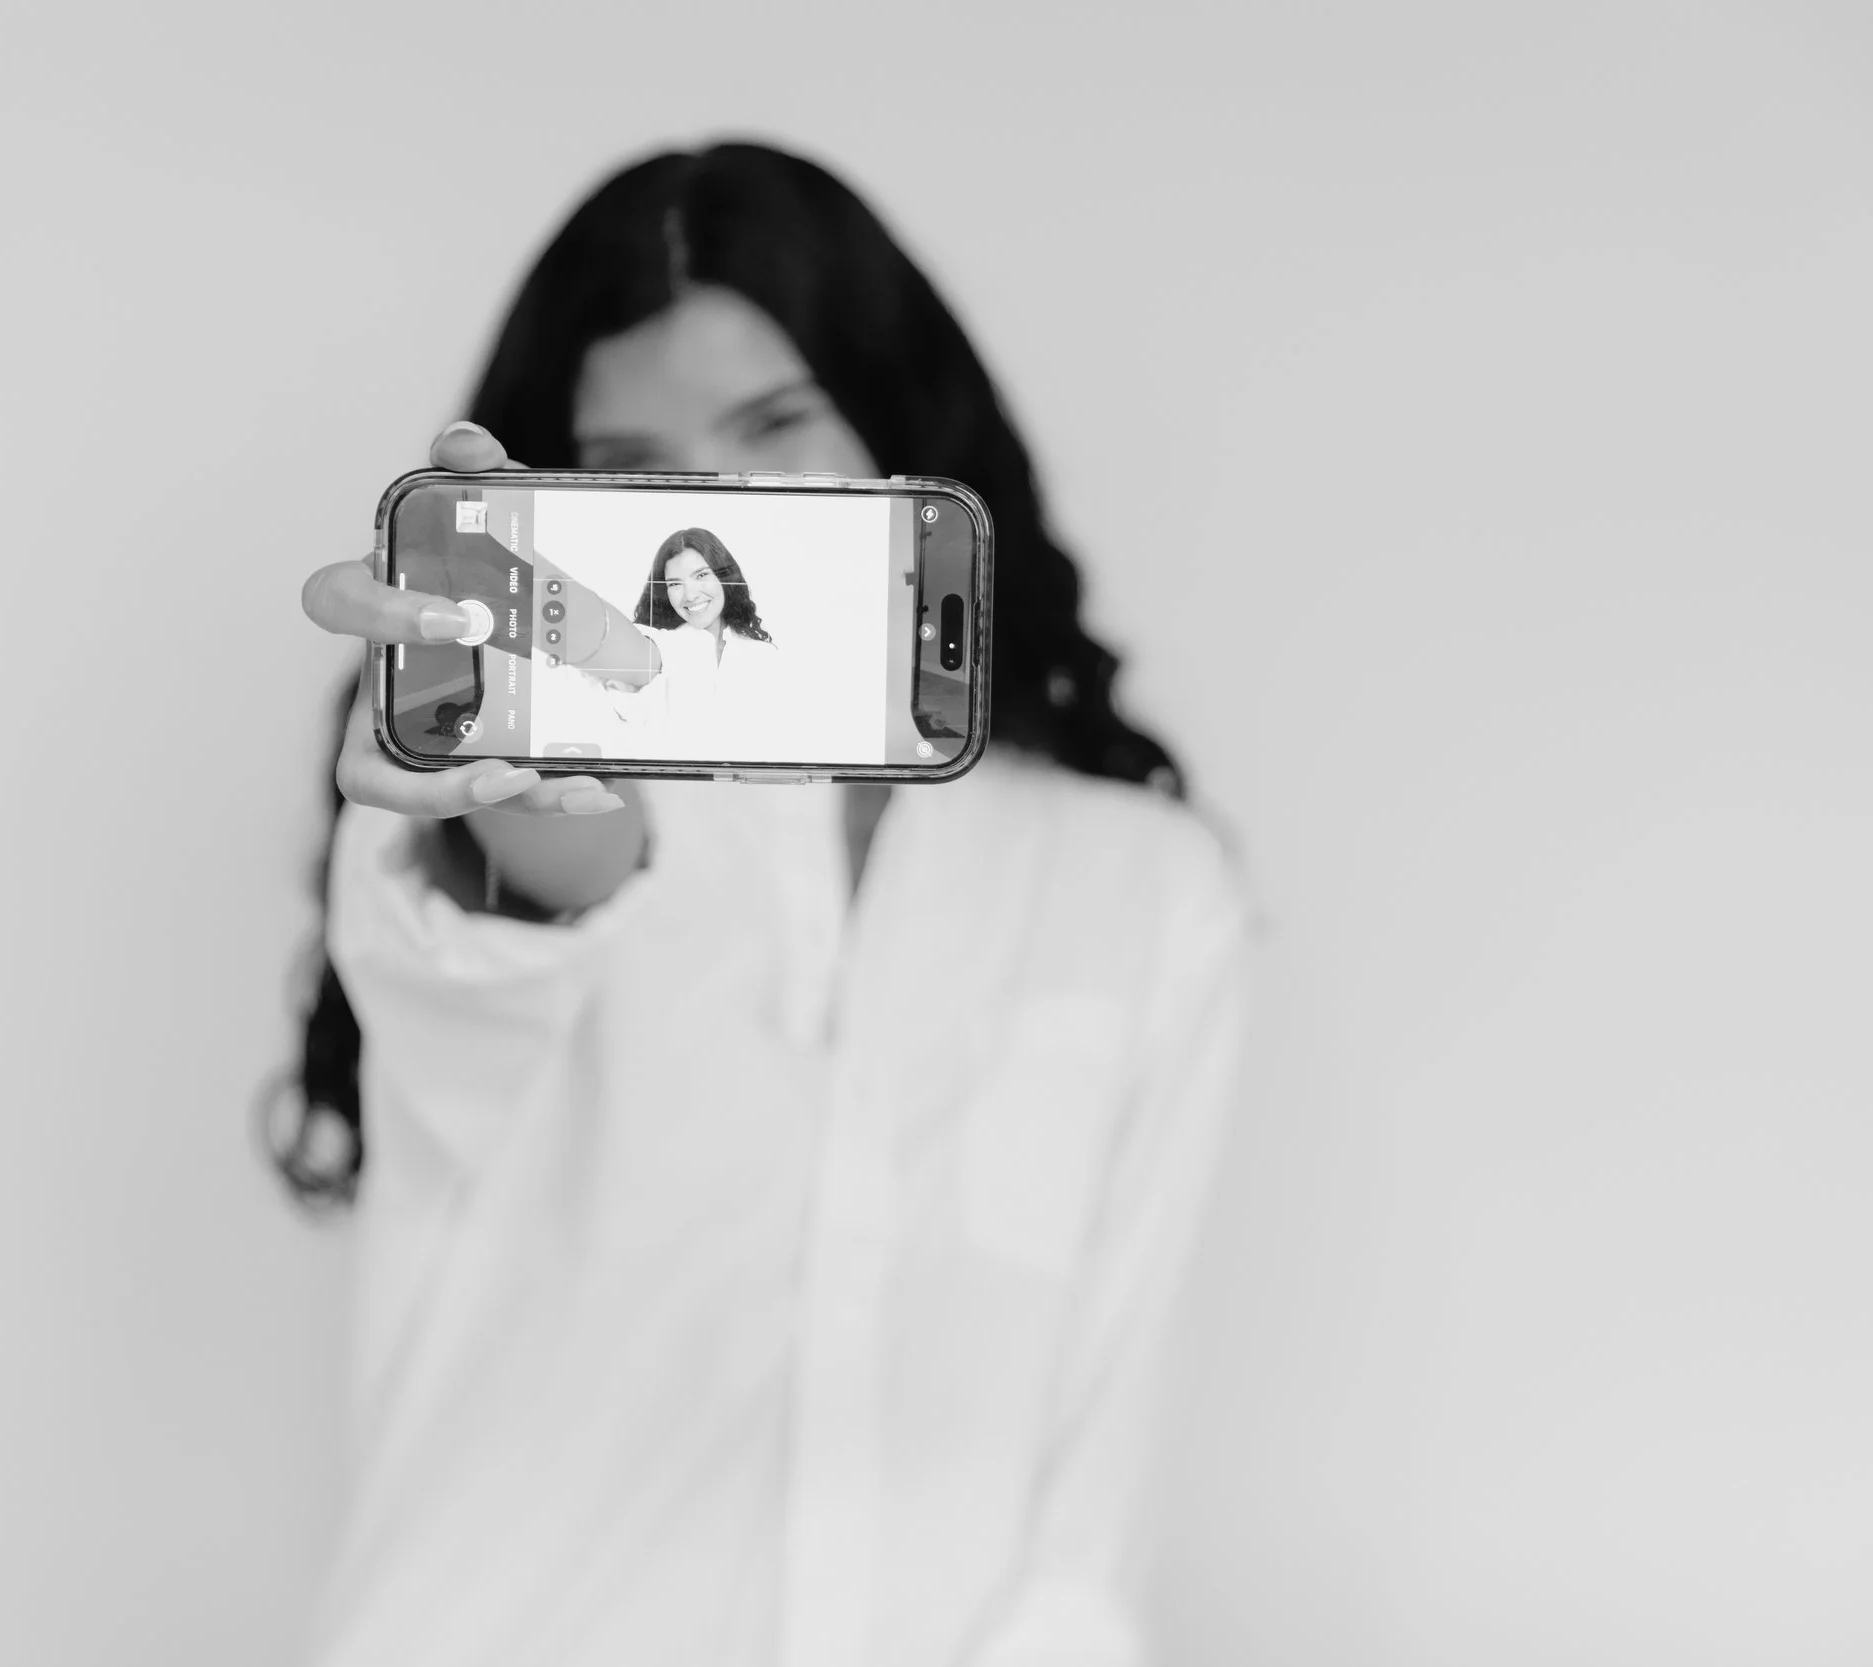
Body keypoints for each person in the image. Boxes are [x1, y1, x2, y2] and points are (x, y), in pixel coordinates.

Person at [283, 140, 1251, 1667]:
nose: (714, 512)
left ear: (898, 431)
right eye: (631, 474)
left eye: (777, 424)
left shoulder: (1139, 889)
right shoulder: (537, 831)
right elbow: (493, 951)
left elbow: (1088, 1503)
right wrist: (522, 820)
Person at [604, 525, 783, 758]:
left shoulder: (762, 656)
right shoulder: (658, 648)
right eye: (675, 584)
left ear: (723, 577)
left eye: (701, 575)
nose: (690, 595)